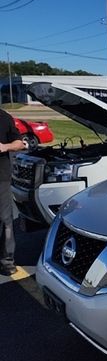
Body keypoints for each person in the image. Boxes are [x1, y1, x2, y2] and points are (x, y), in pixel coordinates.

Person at [0, 108, 26, 275]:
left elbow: (19, 143)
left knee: (4, 218)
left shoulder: (4, 117)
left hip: (1, 176)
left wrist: (4, 146)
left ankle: (6, 261)